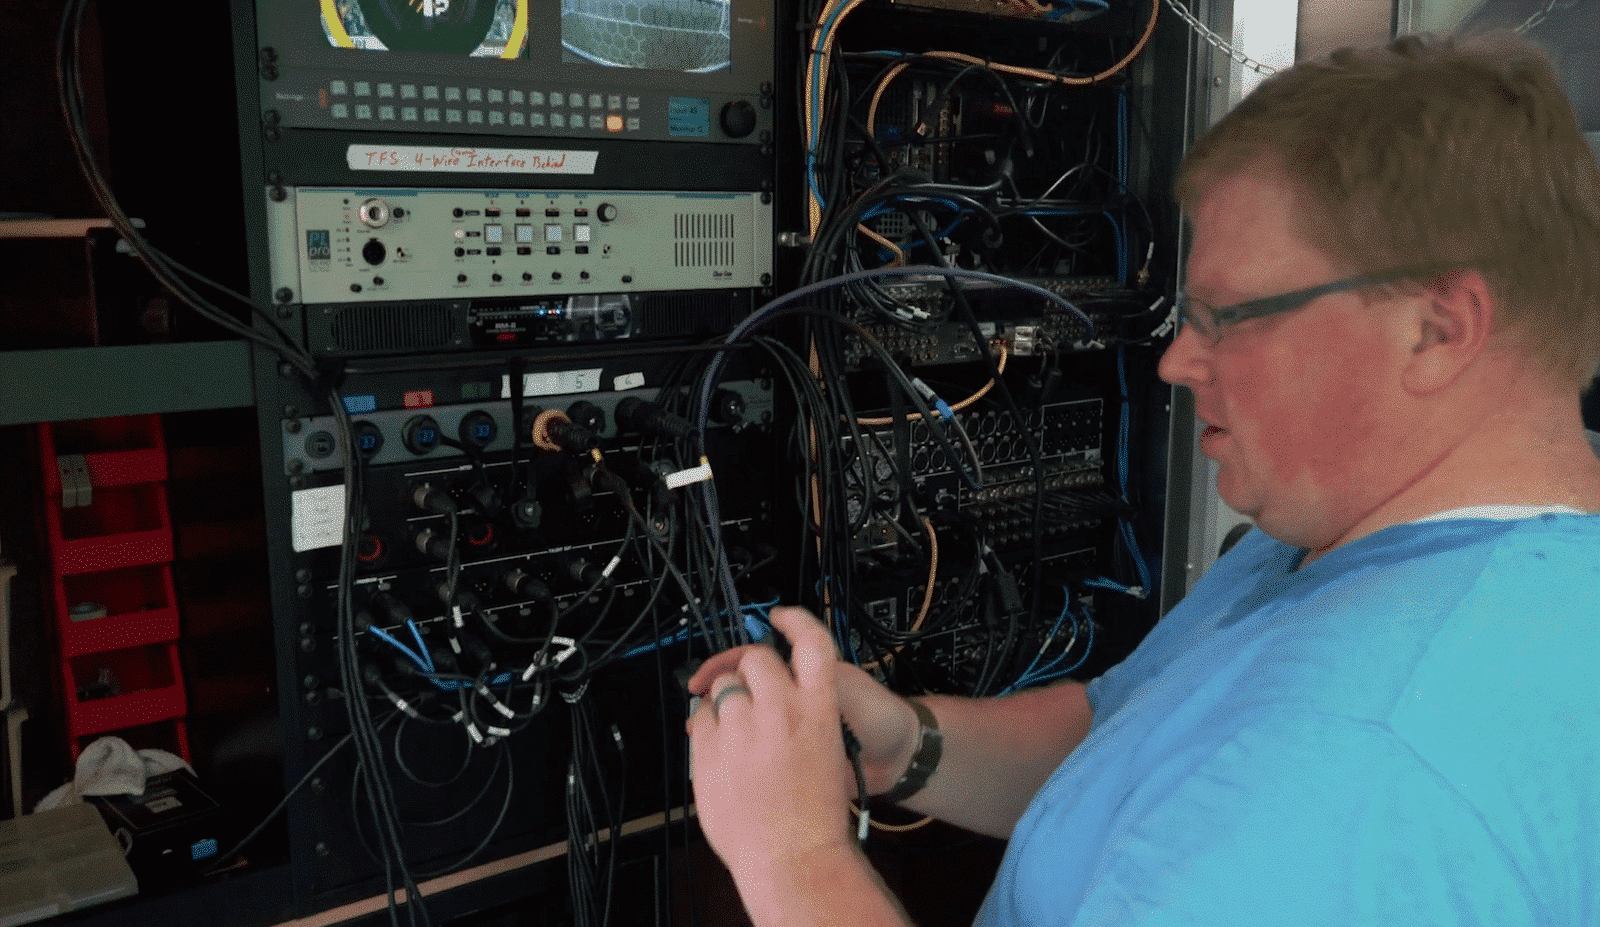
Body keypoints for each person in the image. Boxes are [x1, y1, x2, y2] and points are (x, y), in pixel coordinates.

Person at [686, 30, 1600, 926]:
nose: (1175, 362)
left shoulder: (1366, 759)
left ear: (1438, 329)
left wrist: (794, 853)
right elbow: (1119, 743)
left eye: (1225, 315)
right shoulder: (1357, 544)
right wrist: (906, 745)